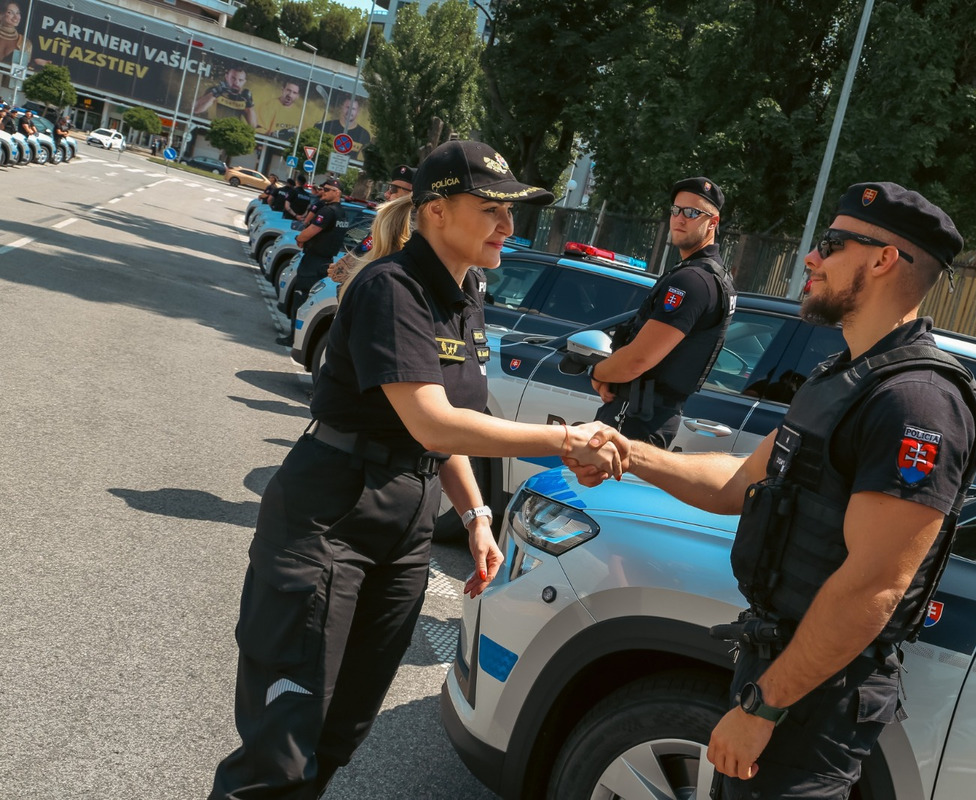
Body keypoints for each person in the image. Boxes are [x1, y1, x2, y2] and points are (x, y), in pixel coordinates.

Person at [208, 139, 626, 799]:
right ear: (435, 211)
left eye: (511, 212)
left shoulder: (467, 293)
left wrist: (478, 516)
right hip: (330, 514)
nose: (508, 227)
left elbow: (449, 425)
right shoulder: (390, 287)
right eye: (491, 209)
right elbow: (431, 420)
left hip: (404, 522)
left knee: (340, 731)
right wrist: (566, 441)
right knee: (281, 749)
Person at [570, 182, 976, 800]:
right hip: (779, 662)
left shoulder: (916, 402)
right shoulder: (843, 376)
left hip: (815, 695)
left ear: (882, 259)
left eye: (830, 244)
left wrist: (765, 708)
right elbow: (741, 481)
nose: (810, 259)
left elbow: (875, 585)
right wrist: (629, 455)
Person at [589, 177, 737, 449]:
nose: (680, 219)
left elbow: (638, 360)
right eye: (675, 210)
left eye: (692, 213)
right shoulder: (711, 276)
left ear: (713, 223)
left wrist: (598, 373)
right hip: (648, 414)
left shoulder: (692, 280)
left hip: (636, 416)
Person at [278, 178, 348, 345]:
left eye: (327, 189)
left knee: (300, 299)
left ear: (337, 192)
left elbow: (309, 232)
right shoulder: (342, 213)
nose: (323, 191)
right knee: (310, 299)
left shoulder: (328, 211)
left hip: (313, 261)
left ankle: (293, 338)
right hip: (326, 261)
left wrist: (299, 238)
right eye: (323, 188)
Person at [193, 65, 258, 129]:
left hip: (233, 132)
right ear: (227, 77)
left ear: (244, 82)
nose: (236, 82)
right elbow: (196, 110)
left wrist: (250, 105)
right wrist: (214, 94)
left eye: (240, 80)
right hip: (213, 127)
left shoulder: (244, 97)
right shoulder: (215, 90)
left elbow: (253, 126)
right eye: (233, 78)